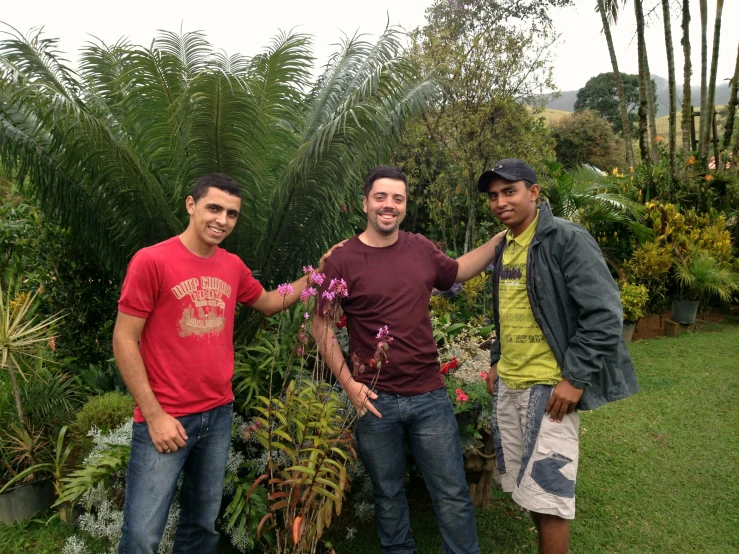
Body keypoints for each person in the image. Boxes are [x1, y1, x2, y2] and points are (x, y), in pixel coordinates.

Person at [113, 173, 339, 554]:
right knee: (141, 536)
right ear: (191, 205)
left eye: (231, 214)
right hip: (166, 417)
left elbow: (269, 303)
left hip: (217, 415)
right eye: (213, 208)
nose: (222, 220)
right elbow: (124, 339)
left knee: (202, 527)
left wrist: (316, 272)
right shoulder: (152, 261)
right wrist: (154, 415)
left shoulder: (231, 265)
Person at [312, 166, 505, 554]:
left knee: (451, 492)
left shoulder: (420, 248)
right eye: (381, 197)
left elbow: (459, 270)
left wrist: (501, 240)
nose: (389, 205)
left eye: (397, 198)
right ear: (365, 203)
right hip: (373, 400)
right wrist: (349, 384)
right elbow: (321, 326)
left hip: (428, 396)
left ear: (405, 205)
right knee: (387, 493)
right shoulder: (342, 260)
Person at [478, 159, 639, 554]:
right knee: (528, 490)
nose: (500, 201)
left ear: (534, 192)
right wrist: (498, 358)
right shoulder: (506, 246)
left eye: (509, 191)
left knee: (551, 497)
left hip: (549, 390)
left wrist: (574, 379)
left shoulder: (567, 239)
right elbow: (507, 307)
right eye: (494, 195)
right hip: (511, 385)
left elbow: (604, 313)